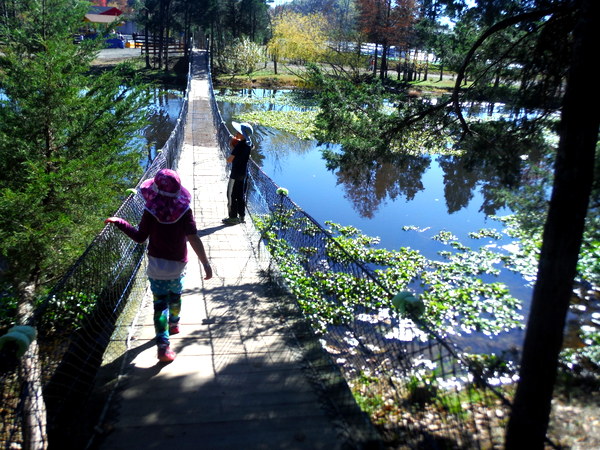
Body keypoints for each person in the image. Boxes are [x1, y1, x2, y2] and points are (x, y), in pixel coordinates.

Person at [105, 169, 212, 363]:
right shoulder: (185, 211)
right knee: (176, 296)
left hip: (156, 266)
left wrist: (121, 223)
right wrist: (205, 263)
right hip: (178, 265)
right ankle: (175, 323)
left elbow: (139, 238)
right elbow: (194, 238)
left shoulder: (150, 211)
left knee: (159, 304)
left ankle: (163, 346)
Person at [222, 122, 254, 225]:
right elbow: (252, 147)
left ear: (243, 134)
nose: (236, 133)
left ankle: (232, 217)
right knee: (240, 195)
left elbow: (229, 160)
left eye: (239, 132)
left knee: (231, 195)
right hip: (243, 174)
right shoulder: (249, 144)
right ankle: (242, 216)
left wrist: (232, 146)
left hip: (235, 174)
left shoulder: (239, 145)